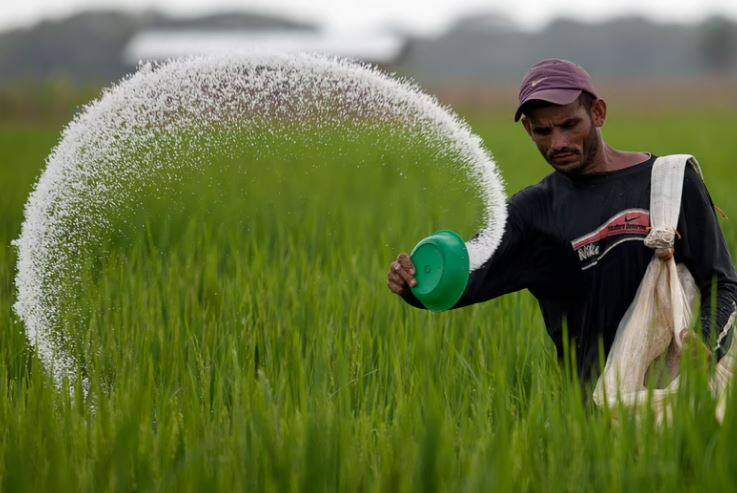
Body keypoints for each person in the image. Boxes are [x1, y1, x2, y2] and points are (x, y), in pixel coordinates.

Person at [387, 58, 737, 383]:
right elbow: (467, 277)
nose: (558, 143)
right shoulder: (534, 213)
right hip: (596, 412)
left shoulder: (670, 182)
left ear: (597, 113)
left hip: (678, 394)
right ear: (528, 129)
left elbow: (722, 283)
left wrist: (705, 343)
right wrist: (415, 285)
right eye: (543, 131)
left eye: (570, 125)